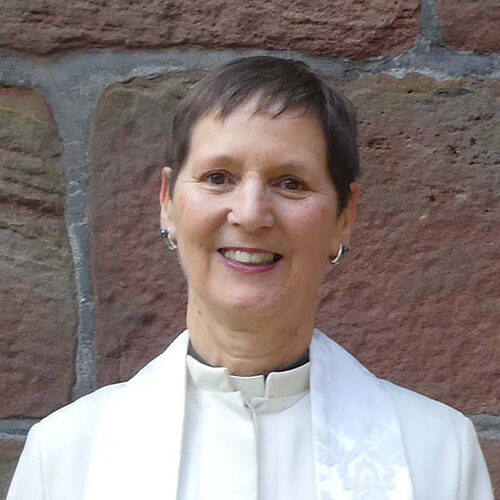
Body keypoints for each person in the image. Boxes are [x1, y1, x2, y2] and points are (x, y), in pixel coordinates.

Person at [7, 56, 493, 500]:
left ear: (345, 216)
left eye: (290, 183)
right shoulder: (66, 455)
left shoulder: (437, 456)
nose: (251, 213)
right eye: (219, 177)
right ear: (167, 202)